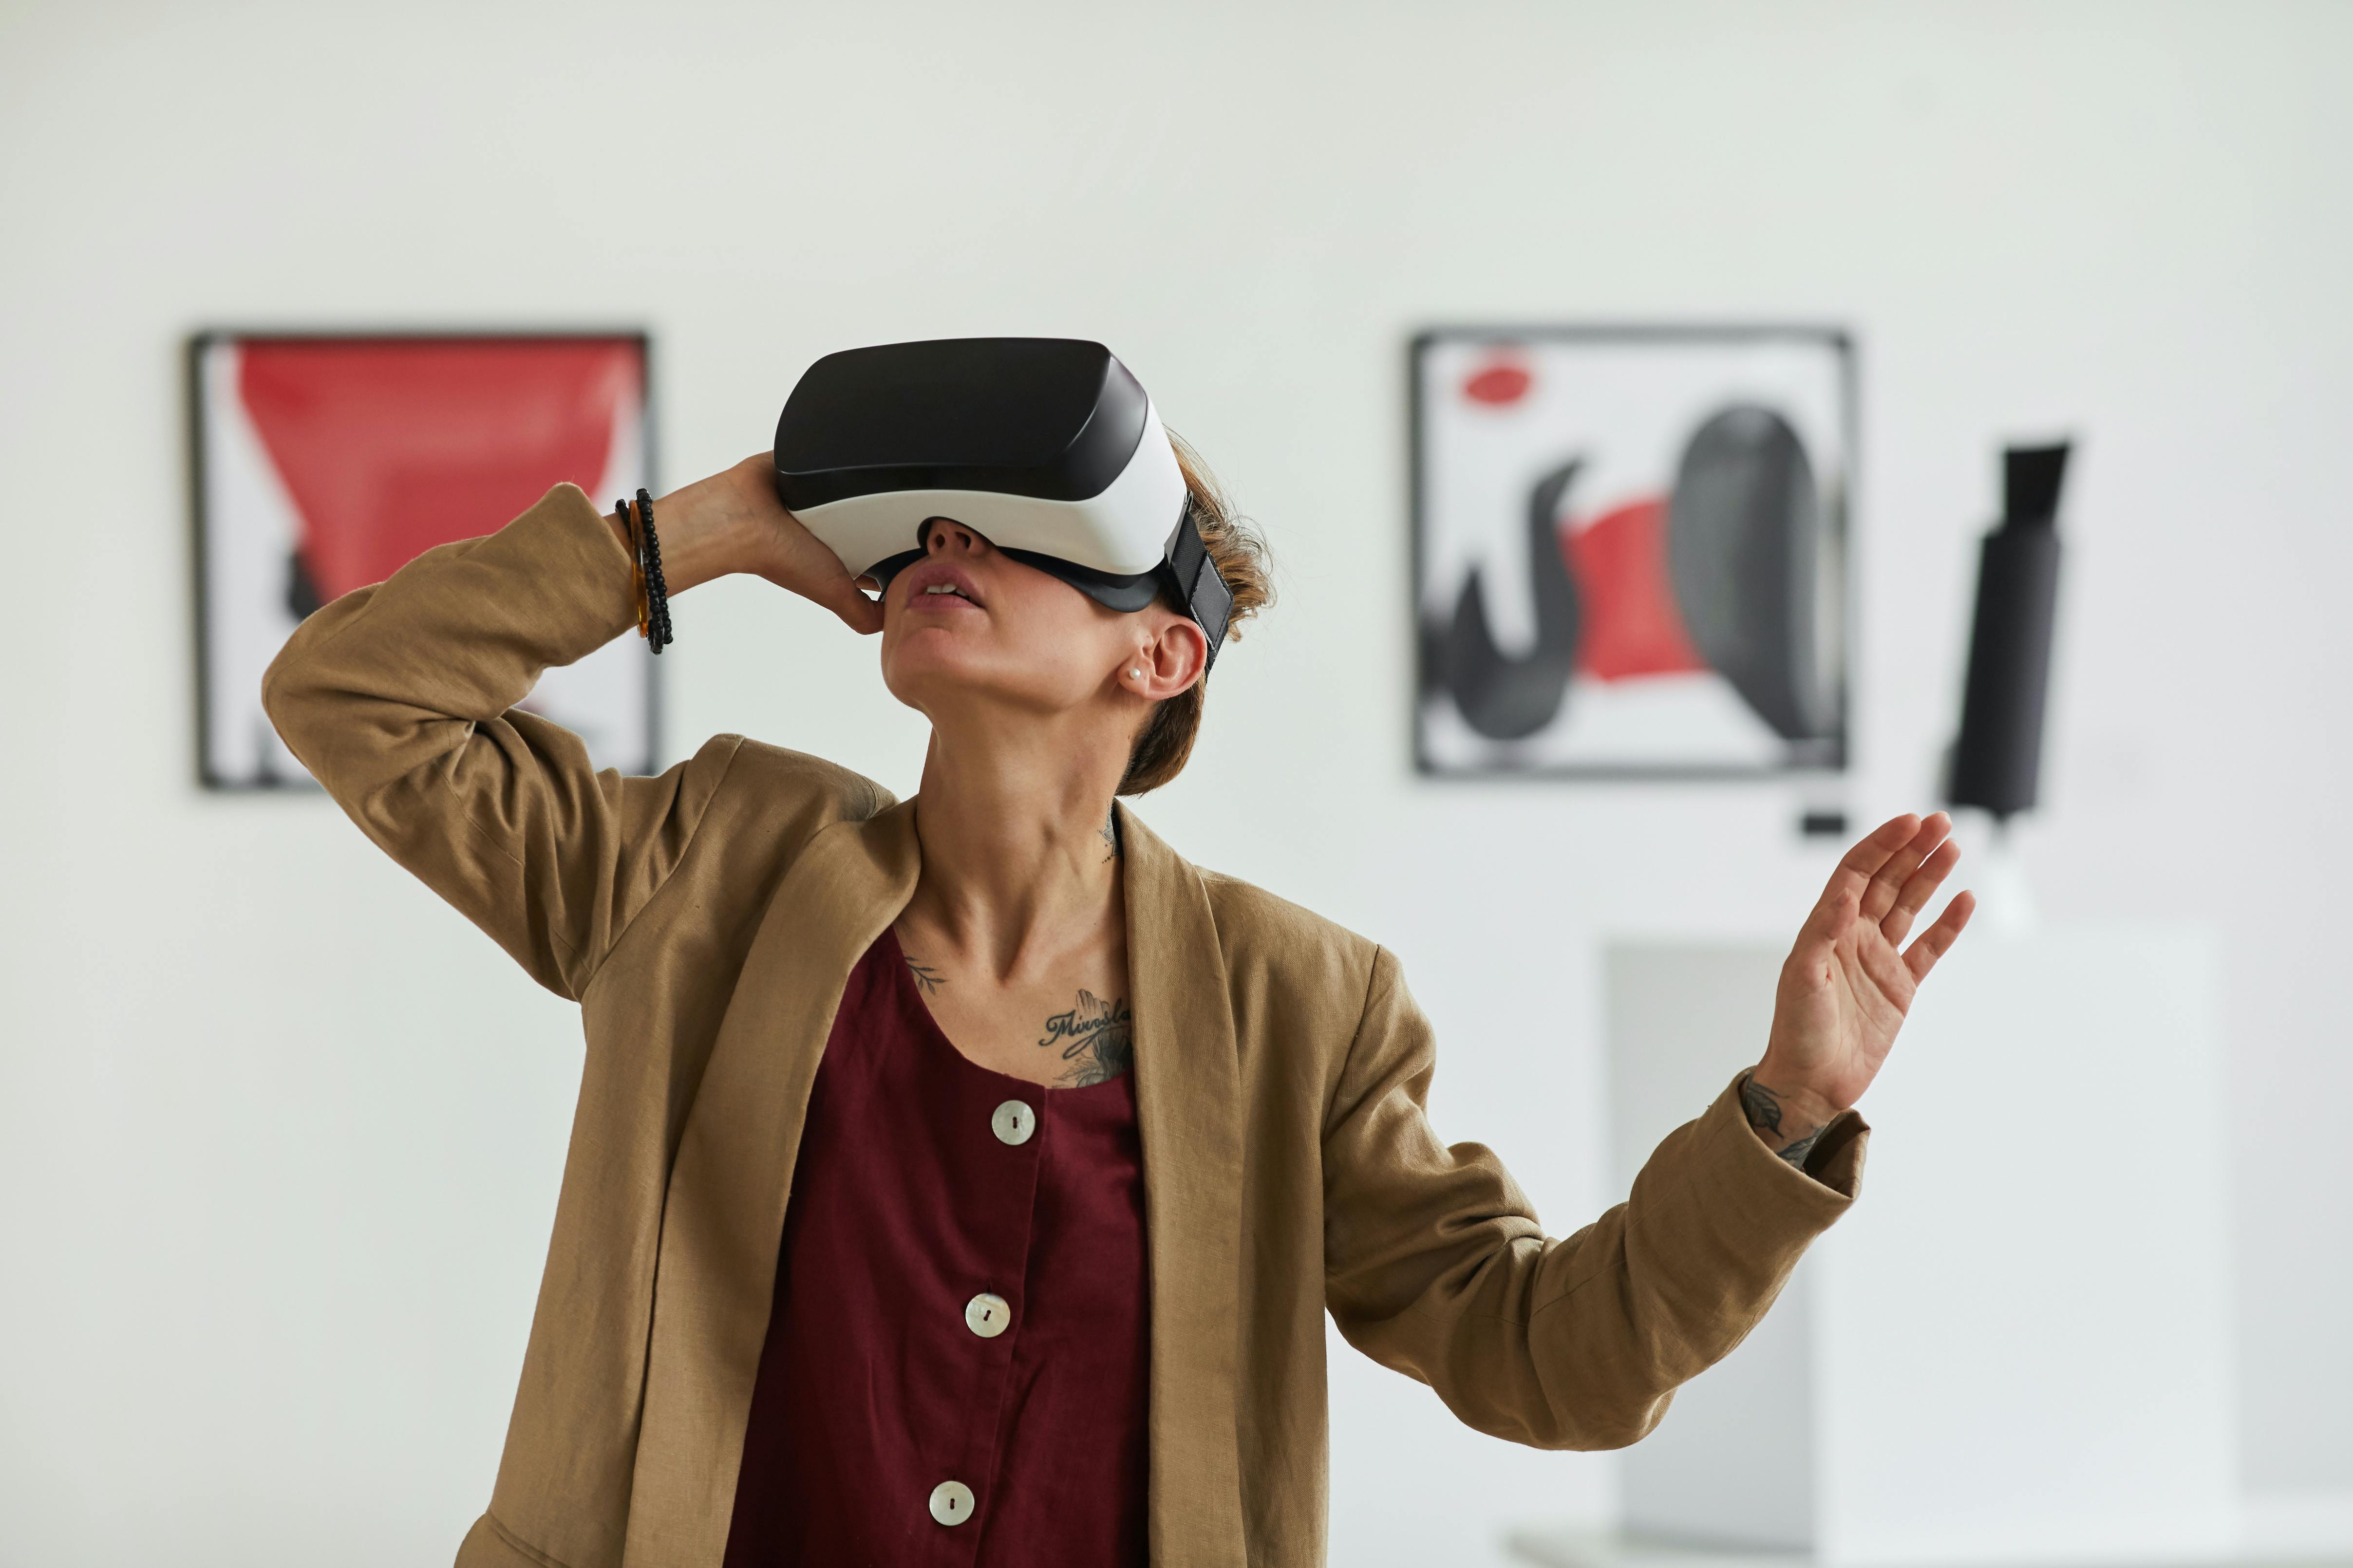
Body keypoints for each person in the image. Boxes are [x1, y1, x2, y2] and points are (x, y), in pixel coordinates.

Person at [264, 421, 1972, 1568]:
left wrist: (1787, 1112)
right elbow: (352, 698)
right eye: (936, 524)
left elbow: (1553, 1361)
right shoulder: (711, 861)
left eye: (1024, 533)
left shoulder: (1301, 1005)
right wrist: (689, 534)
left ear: (1160, 653)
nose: (949, 537)